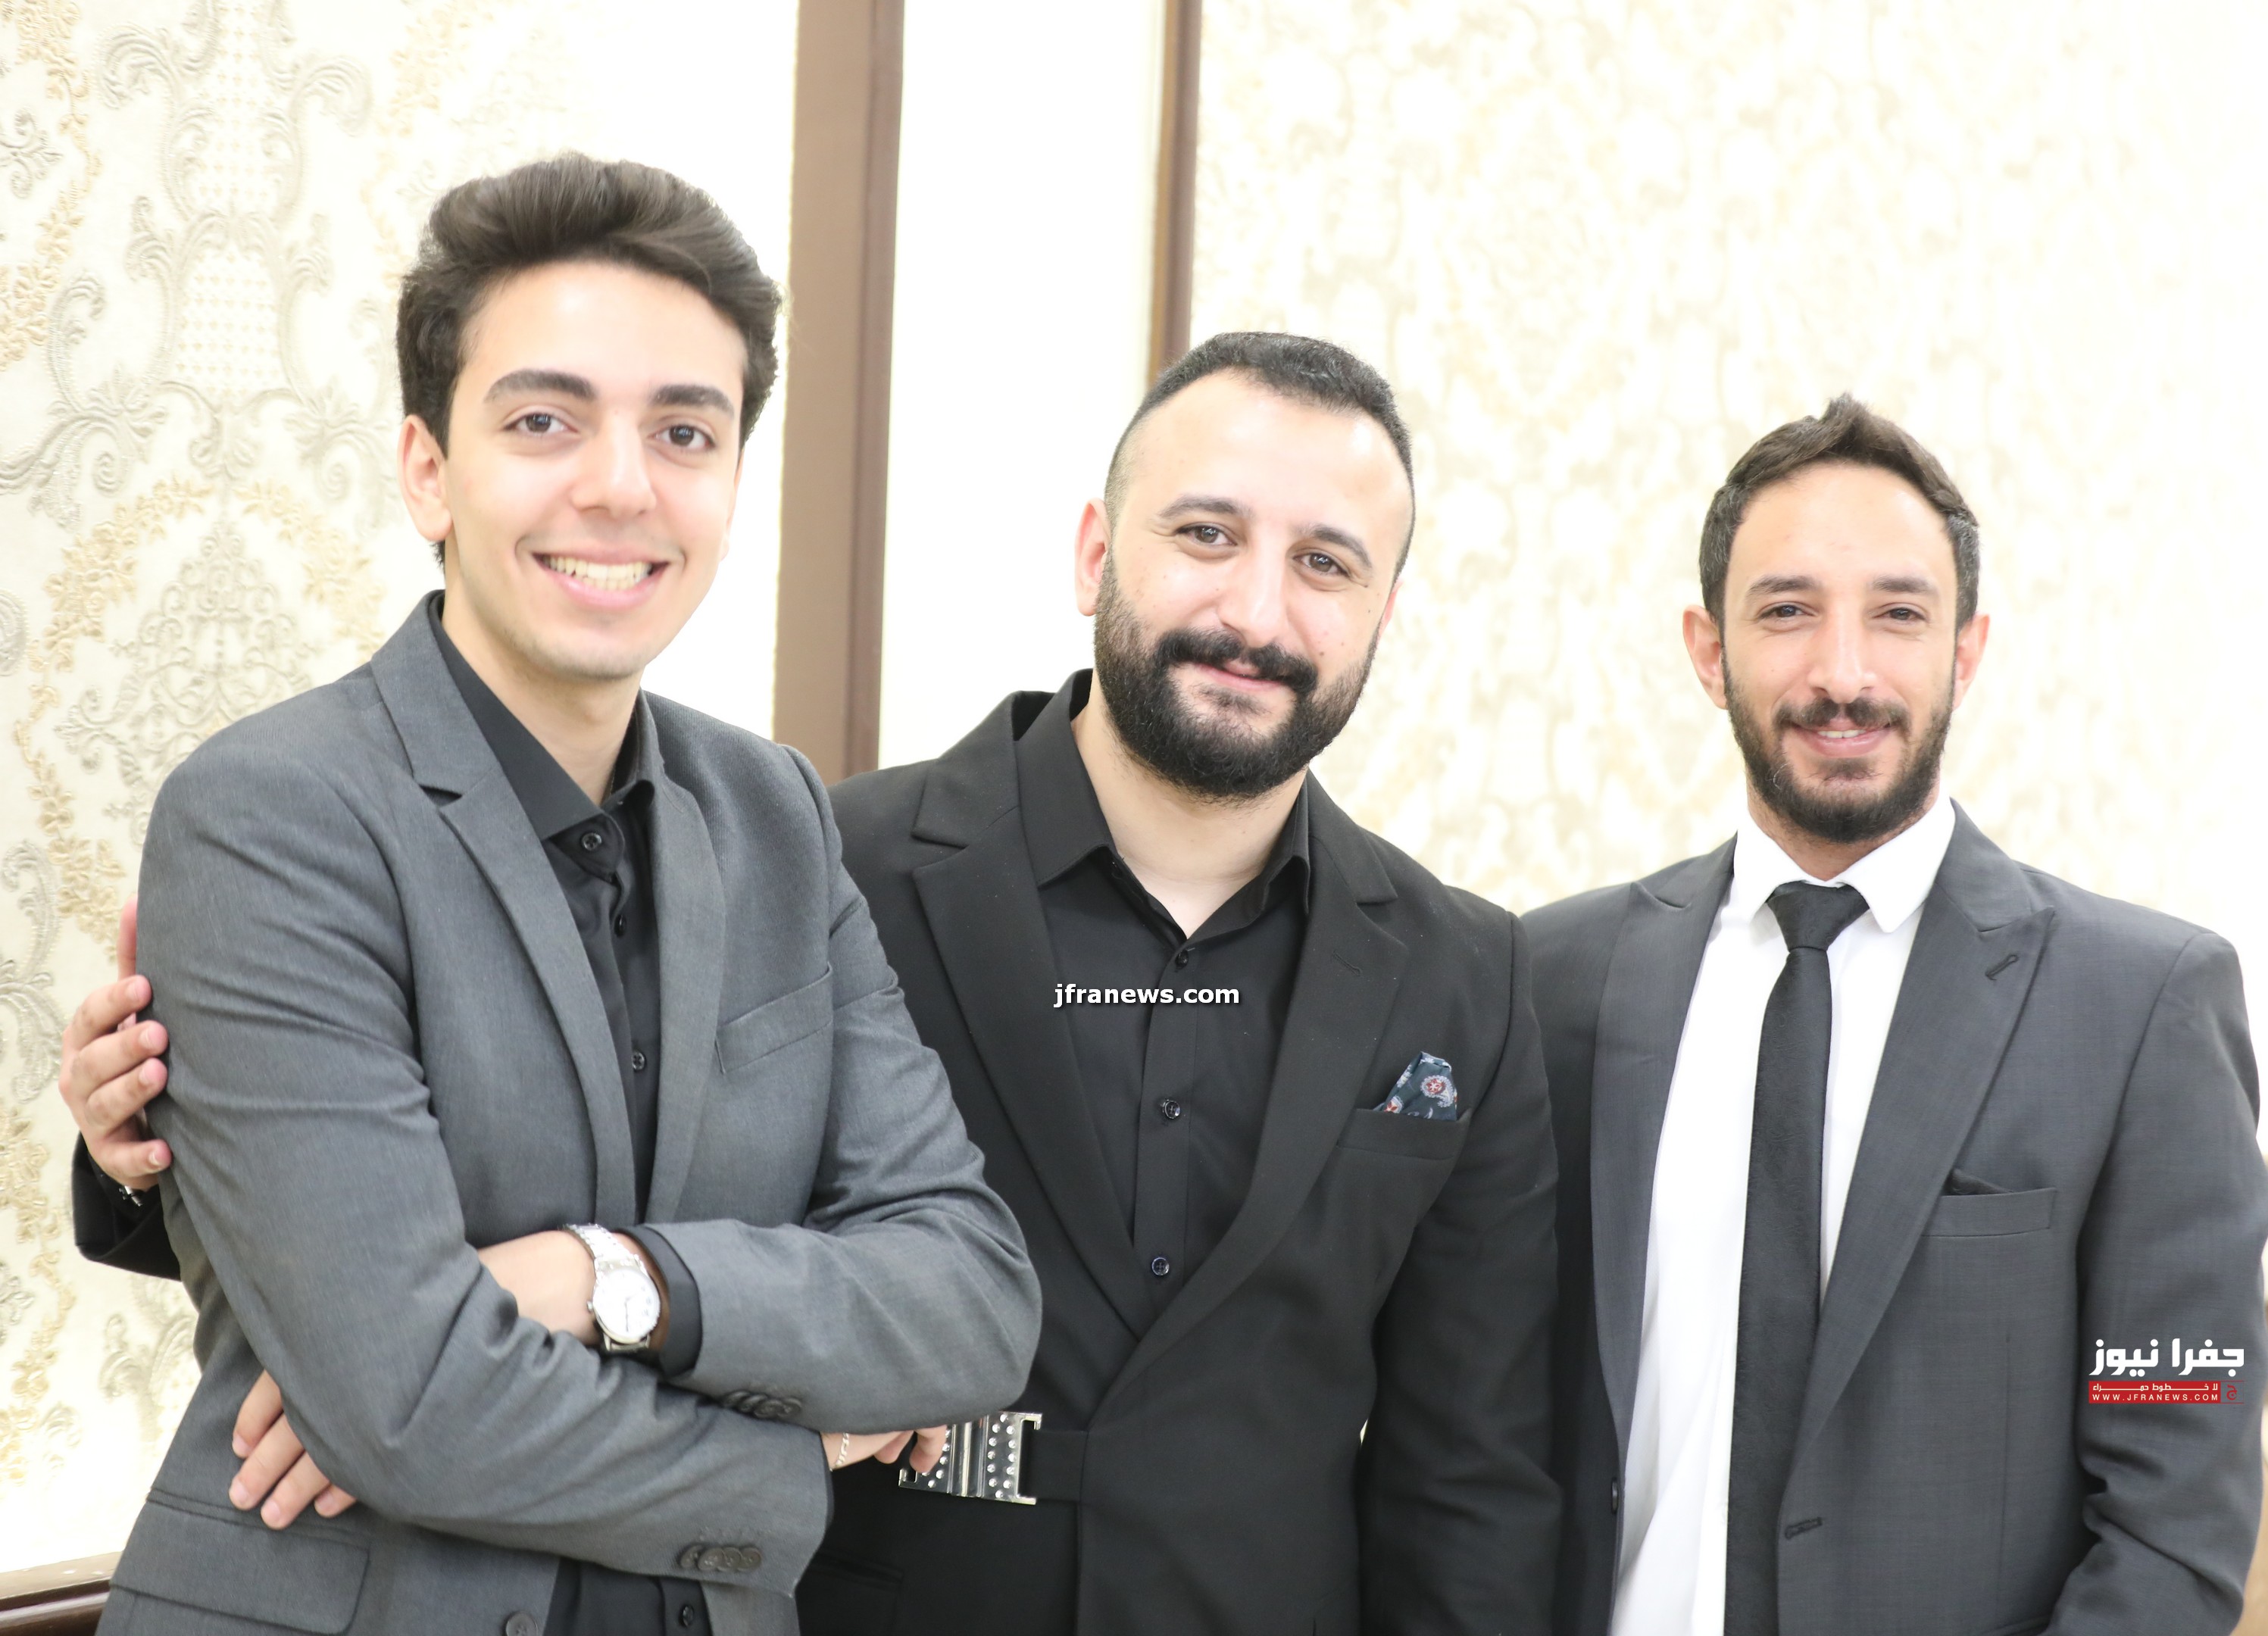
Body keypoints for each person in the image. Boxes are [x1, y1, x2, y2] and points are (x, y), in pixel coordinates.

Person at [64, 332, 1561, 1634]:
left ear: (1384, 611)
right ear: (1097, 554)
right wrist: (166, 1155)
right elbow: (526, 1157)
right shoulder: (818, 860)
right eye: (1207, 534)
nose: (1256, 611)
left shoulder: (1468, 976)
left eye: (1325, 564)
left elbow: (1470, 1478)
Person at [58, 154, 1039, 1636]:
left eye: (685, 431)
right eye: (543, 421)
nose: (621, 485)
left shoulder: (775, 813)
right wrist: (803, 1461)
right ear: (428, 470)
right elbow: (409, 1404)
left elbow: (969, 1297)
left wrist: (606, 1278)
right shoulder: (273, 812)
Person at [1529, 397, 2268, 1636]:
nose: (1844, 673)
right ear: (1708, 652)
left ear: (1966, 653)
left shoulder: (2145, 1008)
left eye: (1899, 614)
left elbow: (2174, 1534)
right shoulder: (1556, 980)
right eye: (1787, 611)